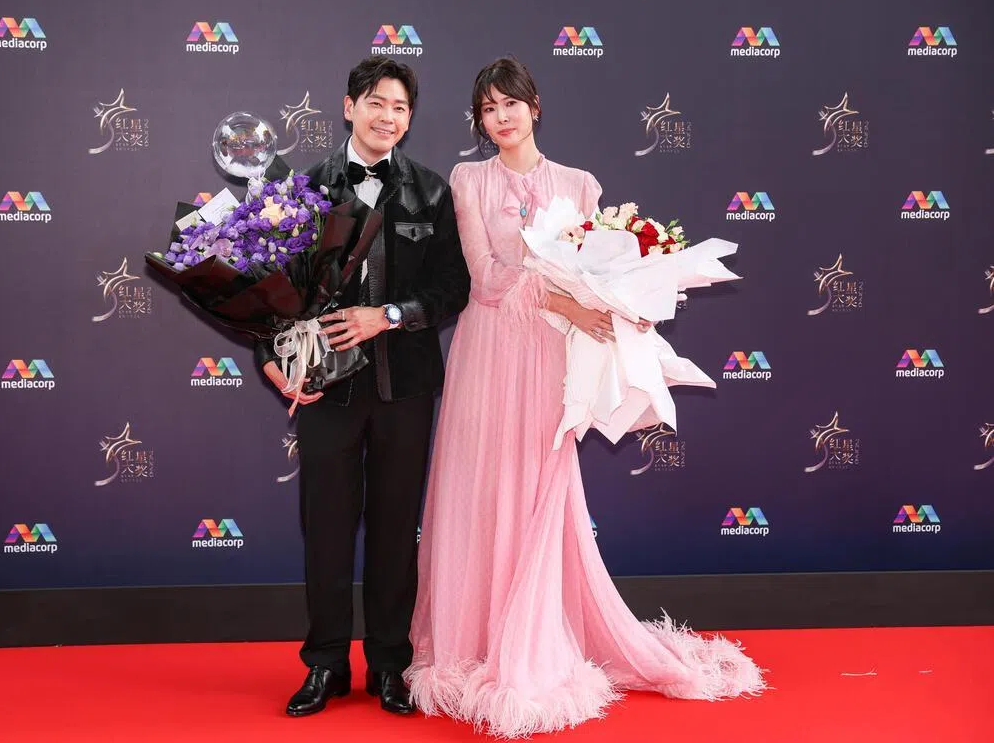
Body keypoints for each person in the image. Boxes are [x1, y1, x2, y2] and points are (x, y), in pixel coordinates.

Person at [405, 56, 764, 738]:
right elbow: (483, 277)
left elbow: (598, 271)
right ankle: (469, 641)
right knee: (478, 486)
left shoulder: (580, 185)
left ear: (535, 106)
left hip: (548, 356)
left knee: (540, 485)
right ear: (478, 122)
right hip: (488, 350)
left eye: (511, 102)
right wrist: (570, 300)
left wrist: (608, 305)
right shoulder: (468, 179)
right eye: (487, 108)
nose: (500, 116)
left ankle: (533, 639)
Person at [256, 57, 470, 717]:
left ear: (410, 119)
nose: (388, 117)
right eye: (377, 103)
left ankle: (390, 665)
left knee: (394, 529)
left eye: (401, 108)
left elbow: (453, 289)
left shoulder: (431, 192)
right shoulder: (304, 188)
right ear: (348, 107)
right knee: (324, 529)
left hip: (404, 388)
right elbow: (270, 285)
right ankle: (323, 663)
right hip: (327, 390)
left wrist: (393, 315)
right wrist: (270, 355)